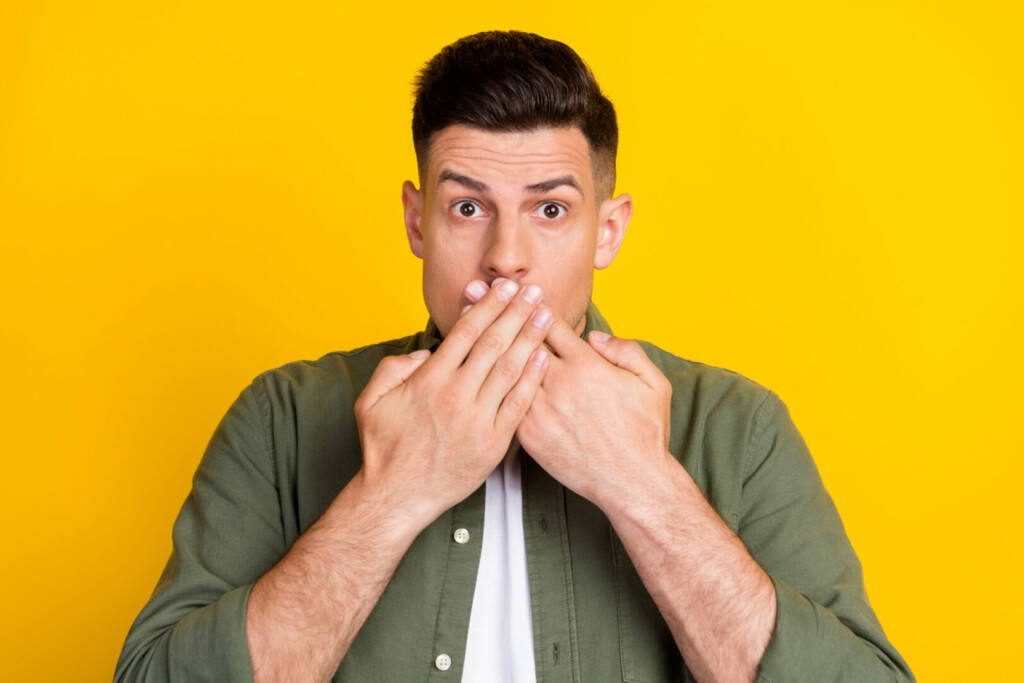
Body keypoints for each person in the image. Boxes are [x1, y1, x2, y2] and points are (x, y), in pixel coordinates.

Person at [113, 30, 915, 683]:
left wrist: (643, 485)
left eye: (551, 209)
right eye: (467, 207)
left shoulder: (737, 427)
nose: (505, 257)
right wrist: (389, 496)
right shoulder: (284, 416)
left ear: (608, 229)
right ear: (417, 221)